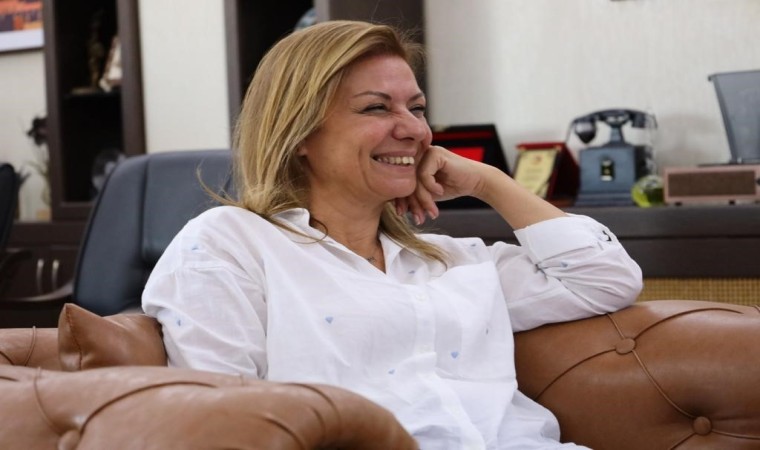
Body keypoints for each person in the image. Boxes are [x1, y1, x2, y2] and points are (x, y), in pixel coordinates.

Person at [142, 20, 642, 449]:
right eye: (376, 108)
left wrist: (488, 182)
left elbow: (606, 279)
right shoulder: (231, 245)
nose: (415, 130)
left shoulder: (451, 261)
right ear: (299, 134)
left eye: (417, 108)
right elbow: (225, 421)